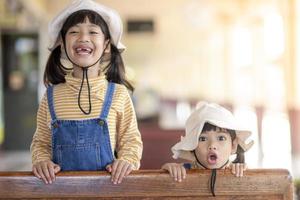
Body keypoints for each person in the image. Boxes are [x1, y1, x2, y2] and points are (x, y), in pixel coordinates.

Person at [30, 0, 142, 185]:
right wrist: (41, 161)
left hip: (109, 192)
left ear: (106, 45)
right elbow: (41, 142)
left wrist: (127, 161)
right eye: (74, 32)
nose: (83, 38)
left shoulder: (119, 94)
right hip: (60, 193)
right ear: (62, 44)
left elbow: (130, 140)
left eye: (93, 31)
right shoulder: (50, 96)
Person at [161, 102, 253, 196]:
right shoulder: (185, 170)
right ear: (191, 148)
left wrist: (243, 170)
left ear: (233, 146)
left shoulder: (235, 170)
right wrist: (169, 169)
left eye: (221, 138)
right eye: (203, 139)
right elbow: (160, 183)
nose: (212, 145)